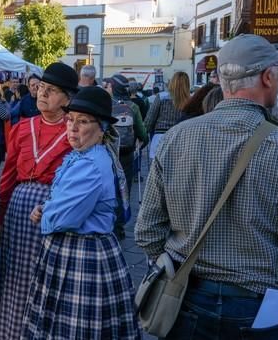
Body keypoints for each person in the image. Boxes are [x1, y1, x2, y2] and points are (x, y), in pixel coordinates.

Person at [135, 34, 278, 338]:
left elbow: (147, 230)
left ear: (222, 80)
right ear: (268, 77)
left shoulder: (177, 137)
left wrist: (172, 268)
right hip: (259, 304)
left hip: (185, 297)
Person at [23, 86, 140, 339]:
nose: (72, 127)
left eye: (83, 121)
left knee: (76, 329)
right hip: (74, 249)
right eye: (70, 120)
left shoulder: (90, 164)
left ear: (101, 128)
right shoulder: (84, 154)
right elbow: (60, 201)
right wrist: (48, 208)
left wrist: (46, 214)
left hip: (82, 253)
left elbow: (64, 218)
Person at [0, 63, 78, 339]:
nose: (42, 94)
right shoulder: (22, 127)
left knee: (48, 279)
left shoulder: (74, 131)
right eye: (41, 87)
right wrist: (0, 218)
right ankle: (11, 332)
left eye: (51, 91)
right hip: (19, 211)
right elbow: (7, 176)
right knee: (15, 278)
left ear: (67, 98)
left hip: (53, 211)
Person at [102, 73, 147, 239]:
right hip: (126, 155)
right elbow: (142, 132)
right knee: (124, 189)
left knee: (108, 187)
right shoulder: (133, 107)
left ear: (113, 87)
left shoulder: (106, 105)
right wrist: (142, 142)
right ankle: (119, 226)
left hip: (108, 153)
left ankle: (107, 222)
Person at [144, 71, 190, 163]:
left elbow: (149, 120)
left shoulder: (161, 97)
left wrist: (144, 135)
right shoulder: (191, 99)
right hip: (182, 139)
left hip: (160, 138)